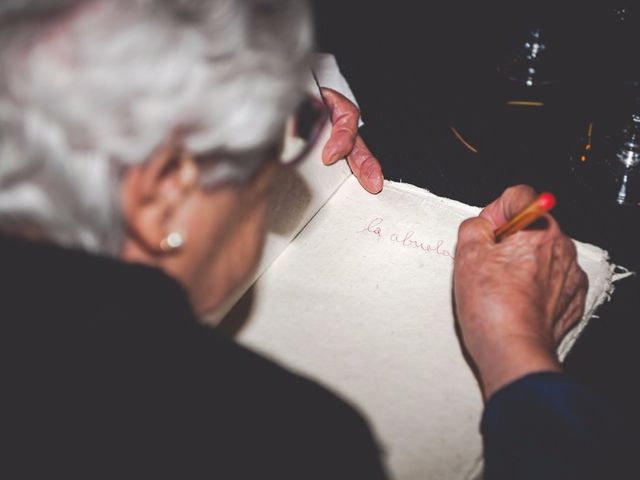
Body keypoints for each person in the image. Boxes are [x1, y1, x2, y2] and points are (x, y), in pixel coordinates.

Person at [0, 1, 628, 479]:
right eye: (288, 130)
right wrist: (519, 361)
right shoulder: (301, 441)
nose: (295, 159)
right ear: (162, 189)